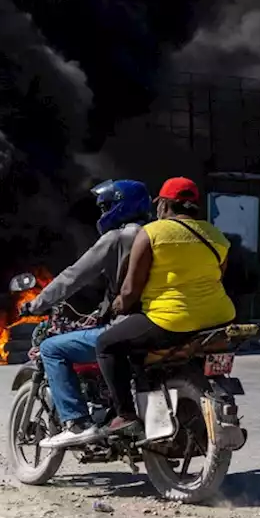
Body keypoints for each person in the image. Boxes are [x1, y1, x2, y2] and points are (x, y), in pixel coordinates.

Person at [96, 177, 237, 436]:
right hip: (219, 318)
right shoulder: (217, 236)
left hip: (171, 320)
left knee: (106, 344)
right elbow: (217, 276)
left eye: (159, 203)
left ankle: (125, 415)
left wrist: (116, 306)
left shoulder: (151, 233)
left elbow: (129, 291)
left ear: (164, 204)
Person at [20, 179, 153, 449]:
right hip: (161, 321)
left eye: (107, 207)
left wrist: (37, 302)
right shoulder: (158, 234)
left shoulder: (117, 238)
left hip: (129, 325)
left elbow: (74, 276)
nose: (103, 214)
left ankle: (76, 422)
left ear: (120, 206)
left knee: (51, 348)